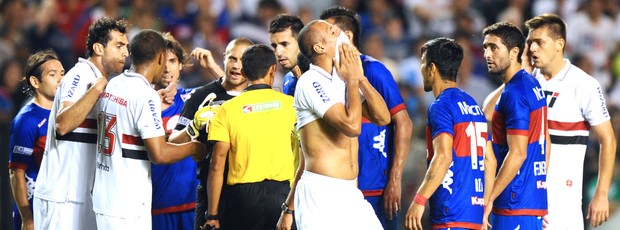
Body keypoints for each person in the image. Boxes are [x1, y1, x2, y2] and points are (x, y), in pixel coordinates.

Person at [277, 20, 390, 230]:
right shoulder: (310, 81)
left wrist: (360, 78)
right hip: (321, 193)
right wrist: (352, 82)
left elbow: (383, 118)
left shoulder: (342, 79)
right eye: (332, 31)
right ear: (319, 47)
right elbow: (352, 126)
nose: (340, 33)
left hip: (351, 193)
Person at [92, 29, 205, 229]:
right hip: (128, 205)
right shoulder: (145, 95)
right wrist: (195, 148)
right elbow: (159, 154)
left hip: (105, 197)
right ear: (160, 57)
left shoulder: (113, 84)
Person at [319, 6, 413, 229]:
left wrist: (395, 180)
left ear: (347, 36)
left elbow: (404, 123)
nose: (322, 39)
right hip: (340, 188)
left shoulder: (374, 71)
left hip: (376, 188)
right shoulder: (324, 75)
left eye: (328, 32)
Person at [33, 17, 129, 230]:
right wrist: (96, 89)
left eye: (127, 47)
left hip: (83, 195)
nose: (126, 53)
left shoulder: (106, 83)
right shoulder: (80, 74)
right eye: (119, 46)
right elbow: (63, 123)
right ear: (98, 48)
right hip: (61, 197)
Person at [525, 13, 617, 229]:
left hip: (563, 199)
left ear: (559, 45)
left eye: (539, 42)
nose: (532, 49)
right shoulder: (526, 82)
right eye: (529, 43)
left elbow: (608, 140)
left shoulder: (583, 84)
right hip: (525, 195)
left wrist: (601, 194)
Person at [404, 37, 496, 230]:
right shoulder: (473, 106)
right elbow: (490, 161)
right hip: (474, 215)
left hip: (450, 213)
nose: (421, 70)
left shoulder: (441, 106)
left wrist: (419, 200)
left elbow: (444, 156)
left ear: (432, 69)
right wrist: (484, 207)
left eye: (423, 64)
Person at [205, 44, 297, 230]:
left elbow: (216, 165)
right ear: (273, 70)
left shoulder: (227, 109)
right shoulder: (291, 105)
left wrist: (213, 215)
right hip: (282, 196)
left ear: (244, 73)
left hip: (242, 200)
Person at [167, 38, 253, 230]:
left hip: (250, 193)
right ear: (224, 58)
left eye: (242, 60)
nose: (236, 66)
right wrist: (193, 127)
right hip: (210, 193)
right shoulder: (202, 96)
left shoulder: (257, 97)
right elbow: (172, 142)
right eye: (232, 59)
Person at [482, 21, 549, 229]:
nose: (487, 54)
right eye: (485, 47)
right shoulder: (532, 84)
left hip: (513, 203)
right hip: (529, 201)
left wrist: (490, 198)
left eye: (494, 48)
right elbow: (545, 140)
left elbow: (518, 153)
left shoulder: (514, 93)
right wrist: (536, 195)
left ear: (514, 53)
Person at [9, 50, 64, 230]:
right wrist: (27, 218)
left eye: (62, 74)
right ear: (35, 82)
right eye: (52, 74)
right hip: (35, 208)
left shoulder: (66, 113)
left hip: (59, 205)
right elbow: (16, 173)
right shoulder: (27, 120)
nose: (60, 79)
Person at [150, 32, 199, 230]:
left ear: (181, 65)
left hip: (193, 204)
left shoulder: (194, 98)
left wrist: (212, 66)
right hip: (156, 205)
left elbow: (231, 92)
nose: (167, 68)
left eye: (172, 61)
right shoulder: (141, 104)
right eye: (161, 61)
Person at [268, 14, 304, 96]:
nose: (278, 53)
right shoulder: (287, 79)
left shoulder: (318, 77)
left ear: (301, 42)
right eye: (274, 46)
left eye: (284, 44)